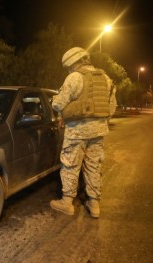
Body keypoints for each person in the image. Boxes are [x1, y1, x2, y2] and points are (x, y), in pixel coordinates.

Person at [50, 47, 117, 218]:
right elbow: (111, 107)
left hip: (77, 132)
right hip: (98, 132)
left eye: (69, 66)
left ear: (74, 63)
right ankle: (94, 205)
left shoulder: (74, 77)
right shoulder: (106, 79)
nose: (69, 69)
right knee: (93, 166)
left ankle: (67, 202)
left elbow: (57, 104)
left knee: (71, 165)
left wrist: (57, 102)